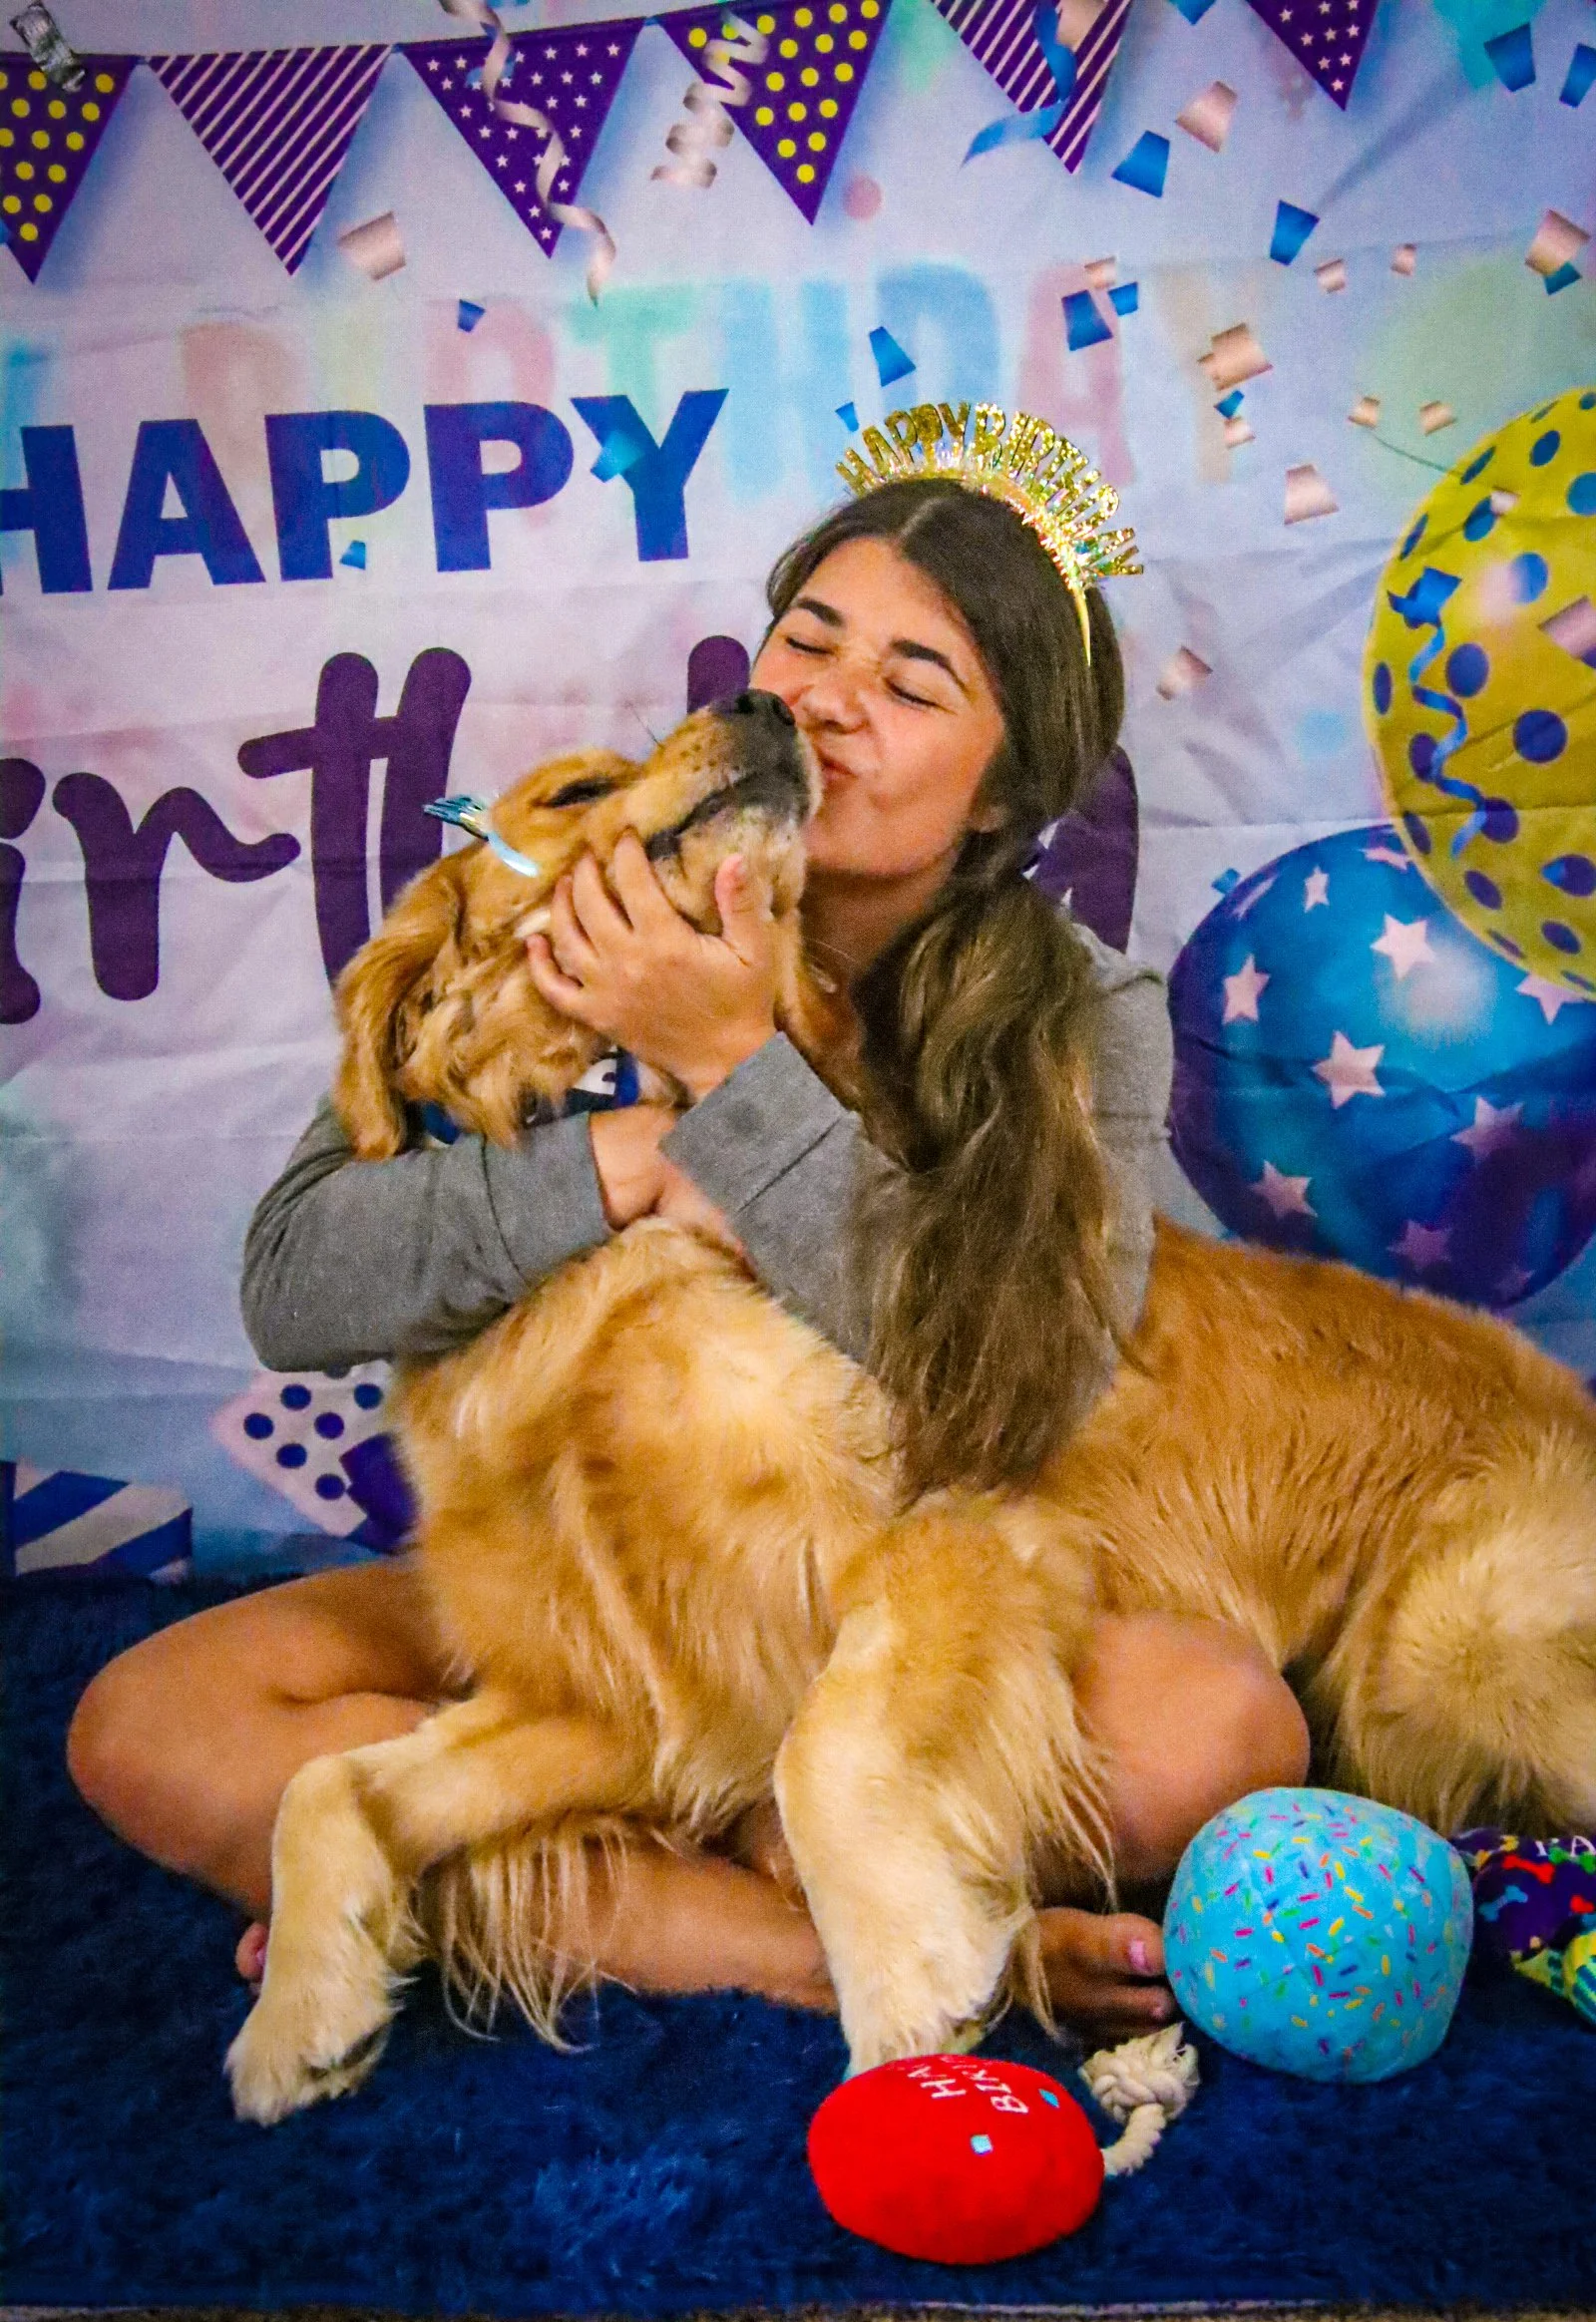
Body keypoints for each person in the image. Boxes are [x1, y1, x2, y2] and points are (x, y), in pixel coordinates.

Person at [68, 427, 1311, 2041]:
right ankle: (826, 1937)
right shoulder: (584, 880)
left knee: (1212, 1738)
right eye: (808, 641)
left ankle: (544, 1887)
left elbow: (1028, 1389)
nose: (828, 701)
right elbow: (298, 1278)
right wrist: (624, 1156)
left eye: (913, 682)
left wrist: (731, 1069)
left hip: (865, 1606)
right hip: (572, 1600)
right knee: (154, 1722)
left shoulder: (1082, 1013)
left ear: (1004, 790)